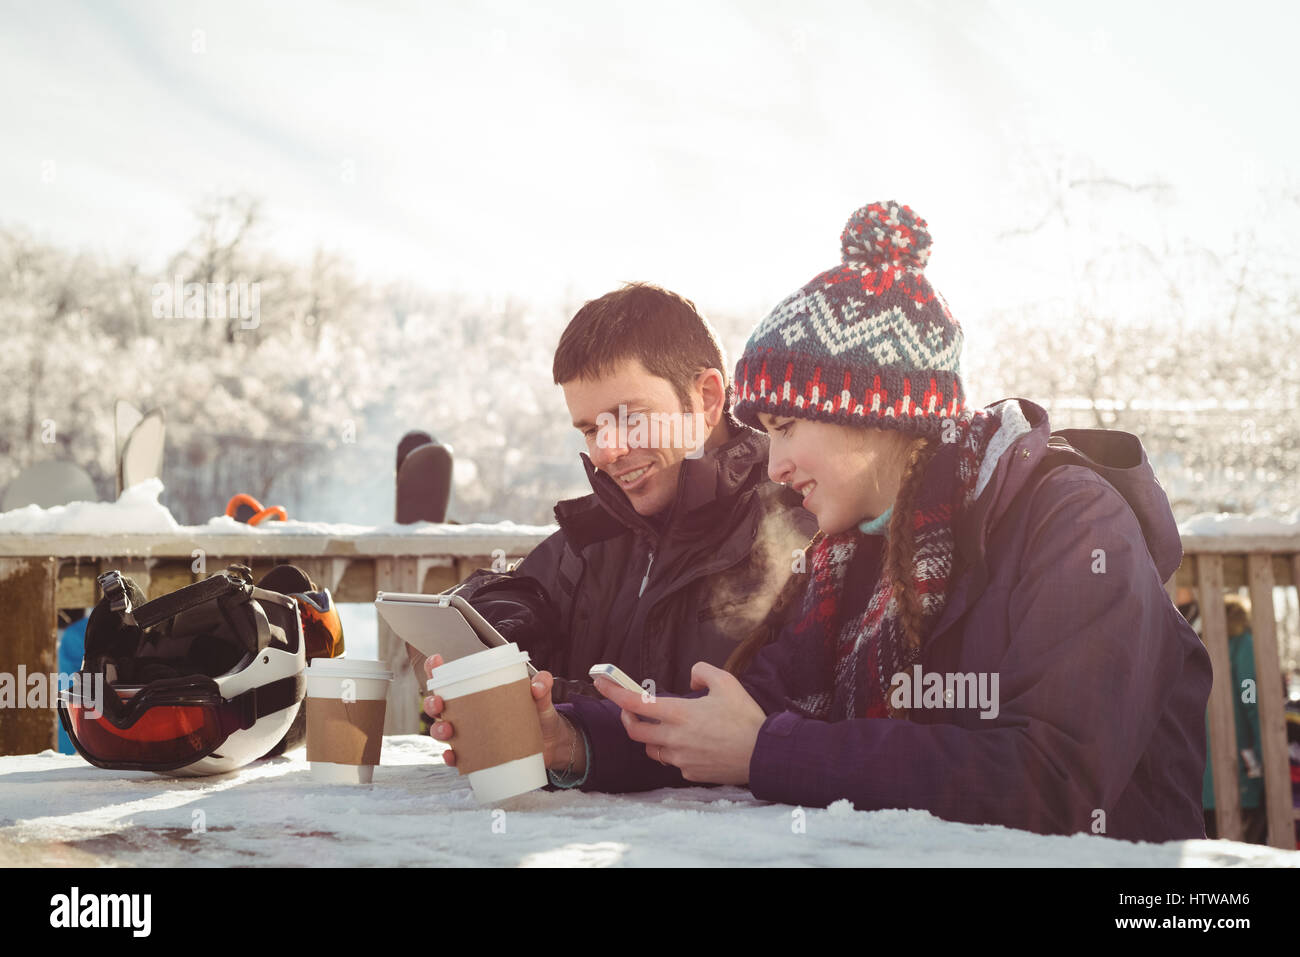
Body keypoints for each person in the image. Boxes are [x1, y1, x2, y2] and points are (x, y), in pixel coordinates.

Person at [427, 201, 1212, 842]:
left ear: (874, 417)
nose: (771, 465)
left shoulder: (1069, 521)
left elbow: (1055, 778)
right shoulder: (850, 558)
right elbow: (733, 720)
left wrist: (772, 752)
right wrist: (574, 740)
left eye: (787, 429)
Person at [422, 283, 817, 702]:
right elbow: (514, 591)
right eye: (591, 429)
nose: (607, 451)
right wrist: (499, 624)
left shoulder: (804, 532)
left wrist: (564, 715)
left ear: (706, 398)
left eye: (629, 418)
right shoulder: (595, 535)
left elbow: (750, 731)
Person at [1199, 595, 1267, 844]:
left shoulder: (1201, 646)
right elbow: (1250, 697)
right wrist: (1264, 753)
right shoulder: (1242, 644)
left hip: (1203, 779)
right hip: (1241, 764)